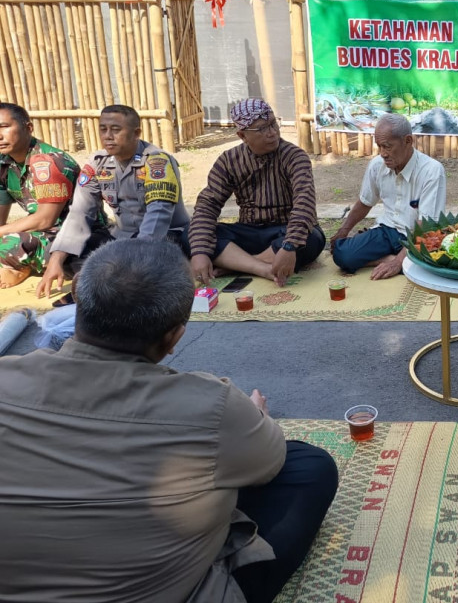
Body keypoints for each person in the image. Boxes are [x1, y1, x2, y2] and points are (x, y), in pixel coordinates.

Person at [0, 239, 338, 603]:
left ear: (79, 304)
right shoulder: (215, 407)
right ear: (175, 336)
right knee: (309, 466)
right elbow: (269, 462)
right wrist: (253, 417)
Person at [36, 104, 189, 302]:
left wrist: (129, 257)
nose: (108, 136)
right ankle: (110, 275)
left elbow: (158, 216)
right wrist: (56, 260)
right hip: (121, 236)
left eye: (116, 130)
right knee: (60, 253)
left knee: (148, 258)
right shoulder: (97, 163)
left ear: (136, 133)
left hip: (164, 236)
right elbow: (80, 212)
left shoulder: (157, 161)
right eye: (103, 129)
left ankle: (106, 277)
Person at [188, 99, 325, 288]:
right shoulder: (228, 161)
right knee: (192, 235)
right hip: (250, 232)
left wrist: (289, 245)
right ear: (242, 135)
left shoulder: (295, 157)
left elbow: (305, 203)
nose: (272, 132)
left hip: (284, 232)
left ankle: (239, 264)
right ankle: (261, 268)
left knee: (311, 238)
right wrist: (199, 252)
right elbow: (207, 206)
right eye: (262, 129)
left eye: (273, 123)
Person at [331, 113, 446, 279]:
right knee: (342, 254)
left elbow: (426, 226)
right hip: (387, 231)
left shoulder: (432, 171)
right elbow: (365, 202)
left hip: (417, 235)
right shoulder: (377, 165)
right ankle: (394, 260)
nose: (383, 153)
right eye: (379, 146)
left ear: (408, 141)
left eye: (387, 146)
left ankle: (402, 260)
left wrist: (397, 263)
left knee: (432, 260)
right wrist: (344, 230)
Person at [0, 103, 79, 288]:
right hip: (39, 233)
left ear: (28, 128)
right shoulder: (4, 163)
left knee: (12, 241)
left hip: (71, 238)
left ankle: (19, 265)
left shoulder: (49, 161)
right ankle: (17, 263)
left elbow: (45, 220)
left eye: (4, 127)